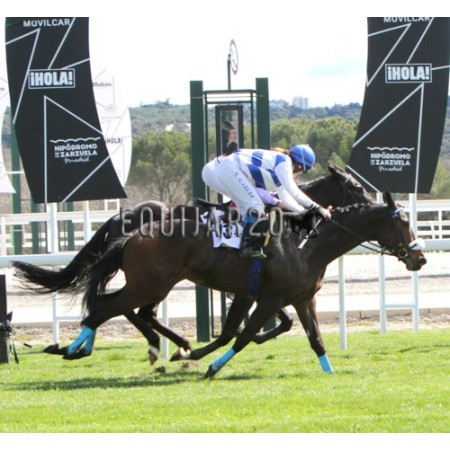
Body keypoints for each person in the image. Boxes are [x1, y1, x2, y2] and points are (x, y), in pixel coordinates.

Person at [202, 144, 332, 258]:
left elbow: (286, 198)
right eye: (305, 170)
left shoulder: (280, 166)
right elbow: (294, 192)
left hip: (226, 169)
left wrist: (305, 212)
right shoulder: (284, 163)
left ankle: (232, 241)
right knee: (256, 206)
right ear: (300, 165)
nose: (302, 173)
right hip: (227, 169)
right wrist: (317, 208)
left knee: (249, 208)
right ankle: (247, 246)